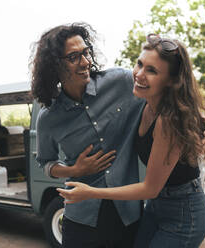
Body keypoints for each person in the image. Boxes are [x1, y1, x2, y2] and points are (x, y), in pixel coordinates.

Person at [57, 34, 205, 248]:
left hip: (184, 212)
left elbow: (150, 188)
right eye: (140, 64)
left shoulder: (169, 119)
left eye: (152, 71)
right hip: (156, 206)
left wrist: (89, 192)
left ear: (171, 81)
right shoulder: (143, 103)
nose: (139, 74)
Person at [30, 22, 146, 247]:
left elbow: (162, 90)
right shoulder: (48, 117)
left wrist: (196, 114)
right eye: (74, 57)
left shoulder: (121, 82)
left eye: (86, 52)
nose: (86, 62)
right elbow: (45, 162)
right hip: (82, 217)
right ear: (54, 66)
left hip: (127, 213)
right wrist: (74, 170)